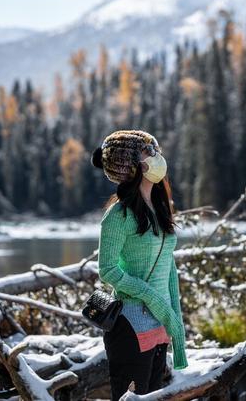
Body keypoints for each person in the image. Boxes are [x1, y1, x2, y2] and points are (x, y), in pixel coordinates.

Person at [90, 129, 188, 400]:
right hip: (130, 326)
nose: (158, 157)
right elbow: (108, 270)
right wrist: (151, 297)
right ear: (132, 166)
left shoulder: (159, 209)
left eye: (156, 151)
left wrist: (174, 322)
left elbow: (169, 270)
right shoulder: (118, 215)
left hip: (159, 327)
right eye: (150, 152)